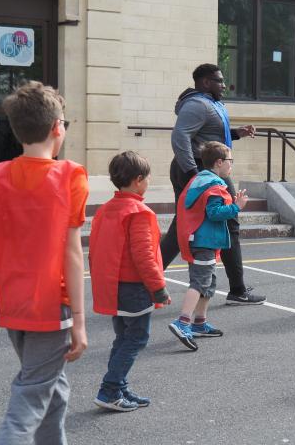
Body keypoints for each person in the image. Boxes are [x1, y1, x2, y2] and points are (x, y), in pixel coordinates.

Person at [0, 81, 88, 443]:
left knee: (52, 387)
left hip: (14, 302)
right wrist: (79, 321)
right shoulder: (69, 177)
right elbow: (72, 254)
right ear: (57, 127)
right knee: (32, 393)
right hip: (51, 307)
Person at [160, 63, 265, 305]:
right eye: (219, 80)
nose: (224, 85)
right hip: (202, 169)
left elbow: (209, 133)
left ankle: (147, 282)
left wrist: (237, 133)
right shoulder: (198, 104)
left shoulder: (210, 103)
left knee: (181, 228)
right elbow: (180, 136)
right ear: (206, 82)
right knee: (229, 223)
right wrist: (194, 172)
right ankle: (238, 290)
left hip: (205, 168)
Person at [89, 151, 172, 412]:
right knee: (136, 339)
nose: (148, 183)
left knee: (123, 338)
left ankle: (119, 386)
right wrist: (158, 288)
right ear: (138, 180)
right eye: (147, 178)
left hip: (113, 286)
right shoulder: (138, 212)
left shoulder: (106, 209)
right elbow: (144, 256)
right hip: (134, 287)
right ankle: (110, 389)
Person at [168, 141, 248, 351]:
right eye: (230, 161)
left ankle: (199, 322)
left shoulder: (199, 179)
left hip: (196, 238)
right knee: (200, 282)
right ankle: (183, 322)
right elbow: (214, 213)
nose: (231, 165)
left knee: (208, 282)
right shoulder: (215, 186)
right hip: (204, 240)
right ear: (219, 162)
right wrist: (235, 207)